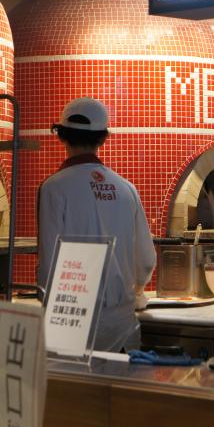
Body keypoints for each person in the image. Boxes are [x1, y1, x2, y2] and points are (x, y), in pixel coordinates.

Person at [37, 97, 156, 352]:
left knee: (72, 380)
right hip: (122, 321)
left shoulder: (53, 188)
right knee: (121, 379)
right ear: (103, 138)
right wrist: (137, 291)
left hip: (73, 319)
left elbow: (49, 266)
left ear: (62, 136)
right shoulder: (127, 189)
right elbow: (146, 260)